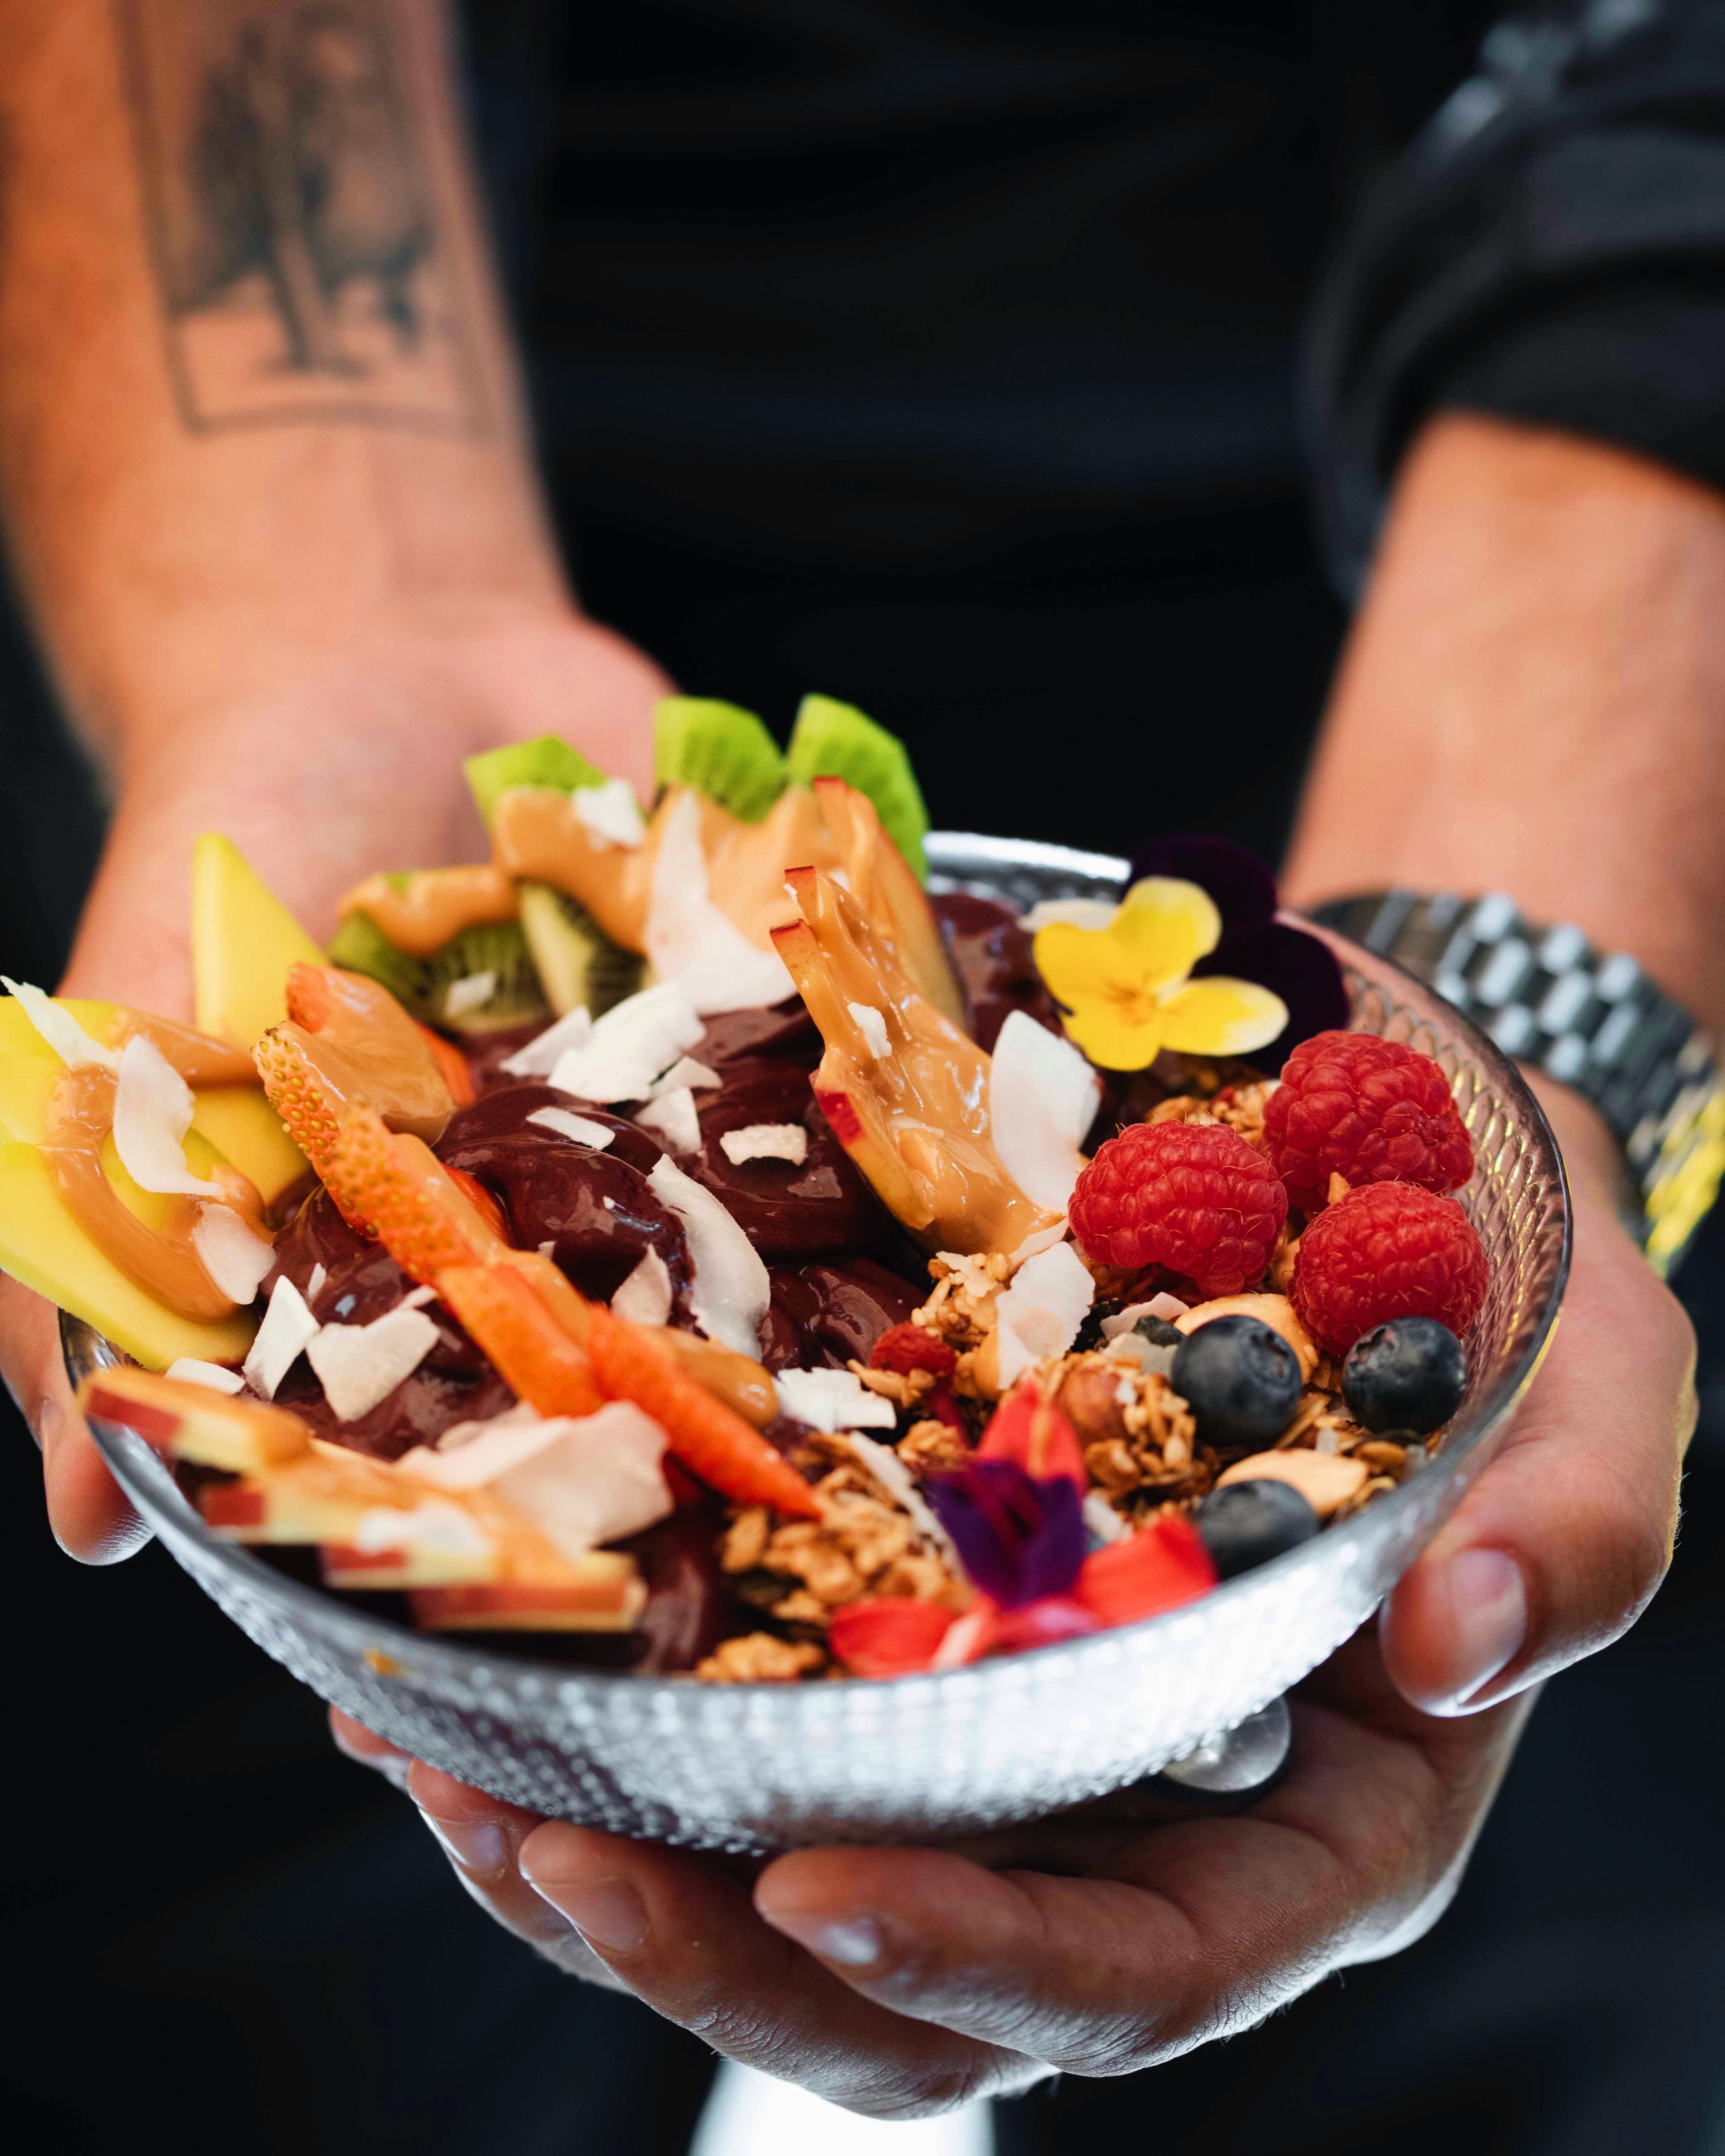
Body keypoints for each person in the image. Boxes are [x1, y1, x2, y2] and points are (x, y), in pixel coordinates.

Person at [0, 0, 1718, 2136]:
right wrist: (314, 626)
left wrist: (1521, 991)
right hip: (440, 468)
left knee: (1547, 1985)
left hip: (1438, 569)